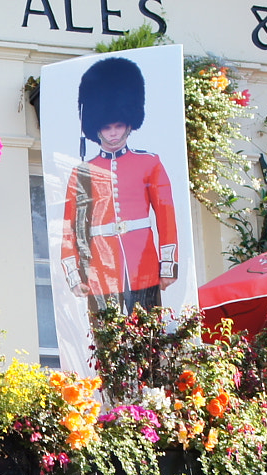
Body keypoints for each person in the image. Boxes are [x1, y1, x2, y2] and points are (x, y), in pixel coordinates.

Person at [60, 54, 180, 314]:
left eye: (118, 125)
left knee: (147, 338)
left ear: (129, 124)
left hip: (143, 262)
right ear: (96, 128)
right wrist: (75, 273)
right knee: (106, 340)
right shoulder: (83, 171)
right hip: (100, 265)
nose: (113, 132)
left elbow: (166, 216)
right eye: (107, 126)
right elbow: (72, 226)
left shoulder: (150, 163)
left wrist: (168, 264)